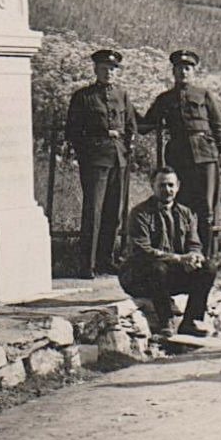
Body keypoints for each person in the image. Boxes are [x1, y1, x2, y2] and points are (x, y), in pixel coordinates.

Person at [141, 49, 221, 253]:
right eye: (179, 68)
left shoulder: (204, 95)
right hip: (179, 158)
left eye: (187, 68)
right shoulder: (165, 99)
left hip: (206, 157)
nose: (183, 72)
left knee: (206, 209)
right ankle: (181, 254)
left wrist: (220, 155)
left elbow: (218, 125)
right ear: (173, 71)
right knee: (180, 206)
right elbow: (147, 125)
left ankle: (207, 256)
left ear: (194, 71)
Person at [118, 167, 217, 337]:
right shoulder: (140, 213)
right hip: (140, 277)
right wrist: (178, 259)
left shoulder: (185, 213)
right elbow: (143, 250)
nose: (167, 190)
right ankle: (165, 321)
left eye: (171, 185)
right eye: (162, 185)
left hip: (171, 276)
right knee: (157, 268)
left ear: (178, 186)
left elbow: (194, 243)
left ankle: (191, 321)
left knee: (208, 268)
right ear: (152, 186)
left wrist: (195, 257)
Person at [64, 48, 137, 277]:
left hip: (119, 159)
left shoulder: (122, 95)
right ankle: (87, 264)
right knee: (93, 211)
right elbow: (73, 131)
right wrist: (87, 151)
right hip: (95, 159)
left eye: (113, 69)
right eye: (104, 68)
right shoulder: (84, 96)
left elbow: (131, 125)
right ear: (96, 69)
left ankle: (107, 259)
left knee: (114, 212)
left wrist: (125, 146)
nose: (109, 73)